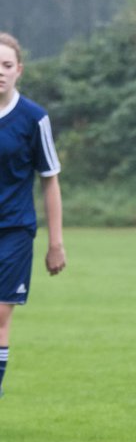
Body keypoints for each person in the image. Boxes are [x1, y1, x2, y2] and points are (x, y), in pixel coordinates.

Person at [0, 33, 66, 399]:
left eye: (7, 65)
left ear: (19, 70)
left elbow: (49, 182)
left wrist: (56, 243)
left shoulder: (33, 118)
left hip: (14, 232)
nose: (0, 72)